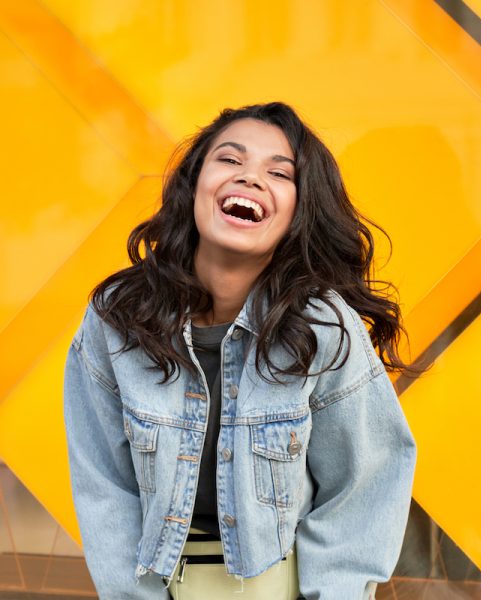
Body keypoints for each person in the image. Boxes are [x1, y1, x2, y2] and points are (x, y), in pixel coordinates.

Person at [64, 102, 418, 600]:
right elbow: (106, 489)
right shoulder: (117, 318)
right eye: (230, 160)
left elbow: (360, 491)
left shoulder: (324, 327)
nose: (250, 178)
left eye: (279, 172)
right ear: (195, 185)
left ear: (299, 210)